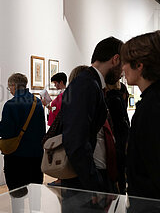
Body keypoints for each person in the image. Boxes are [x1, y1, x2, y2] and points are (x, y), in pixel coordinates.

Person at [60, 37, 123, 212]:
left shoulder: (90, 83)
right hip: (83, 184)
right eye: (123, 64)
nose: (123, 72)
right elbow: (76, 142)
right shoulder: (87, 85)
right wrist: (94, 185)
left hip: (88, 180)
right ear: (115, 59)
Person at [121, 30, 160, 212]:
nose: (123, 68)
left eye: (126, 63)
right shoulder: (151, 101)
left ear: (140, 65)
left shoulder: (151, 106)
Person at [0, 73, 45, 191]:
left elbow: (5, 132)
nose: (10, 90)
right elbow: (41, 128)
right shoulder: (37, 102)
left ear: (14, 86)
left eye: (9, 88)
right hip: (36, 155)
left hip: (16, 156)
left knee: (17, 195)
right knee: (35, 194)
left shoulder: (11, 104)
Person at [104, 80, 130, 194]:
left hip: (116, 139)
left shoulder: (112, 98)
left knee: (117, 169)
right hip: (120, 138)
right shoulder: (117, 97)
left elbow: (118, 122)